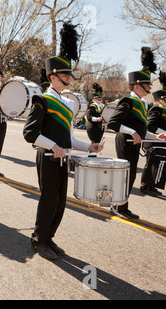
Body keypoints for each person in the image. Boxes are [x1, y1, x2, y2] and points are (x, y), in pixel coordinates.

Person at [23, 22, 104, 260]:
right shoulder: (42, 100)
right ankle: (38, 240)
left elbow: (68, 138)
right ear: (53, 76)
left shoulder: (67, 104)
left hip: (61, 157)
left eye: (69, 73)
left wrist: (89, 146)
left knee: (60, 202)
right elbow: (29, 133)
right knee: (49, 200)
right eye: (65, 73)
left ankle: (49, 237)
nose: (69, 77)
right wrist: (54, 147)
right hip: (48, 156)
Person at [107, 47, 166, 219]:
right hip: (125, 142)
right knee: (125, 176)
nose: (149, 87)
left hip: (133, 143)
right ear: (137, 85)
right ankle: (118, 207)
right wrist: (132, 132)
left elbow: (142, 129)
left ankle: (122, 206)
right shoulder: (128, 101)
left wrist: (156, 137)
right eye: (147, 84)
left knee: (130, 176)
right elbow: (113, 123)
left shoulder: (141, 103)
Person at [140, 70, 166, 196]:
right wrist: (164, 133)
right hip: (153, 141)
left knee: (158, 165)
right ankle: (146, 186)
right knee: (150, 165)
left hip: (161, 141)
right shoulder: (157, 109)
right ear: (161, 99)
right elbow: (151, 126)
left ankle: (152, 186)